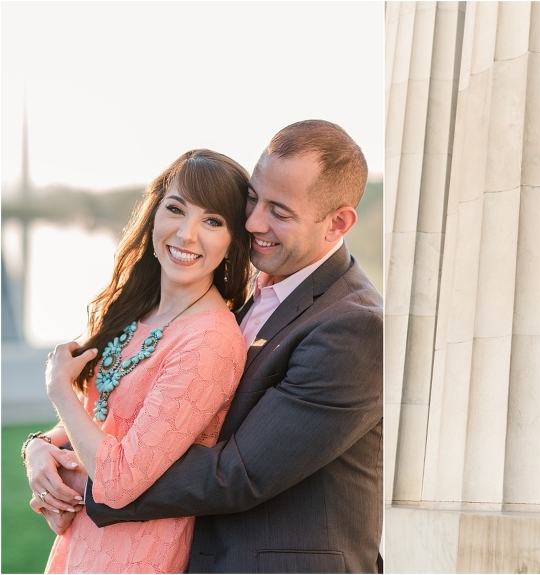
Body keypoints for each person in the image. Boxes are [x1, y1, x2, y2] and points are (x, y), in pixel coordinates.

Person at [29, 120, 383, 573]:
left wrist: (88, 483)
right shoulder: (243, 293)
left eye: (280, 211)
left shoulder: (353, 325)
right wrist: (42, 447)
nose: (253, 222)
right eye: (253, 198)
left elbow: (237, 474)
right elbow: (144, 412)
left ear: (338, 223)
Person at [25, 149, 253, 572]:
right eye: (176, 209)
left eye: (212, 221)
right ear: (154, 214)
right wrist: (40, 448)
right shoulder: (142, 309)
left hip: (137, 554)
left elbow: (116, 481)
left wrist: (59, 391)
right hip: (84, 545)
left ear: (233, 241)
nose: (186, 235)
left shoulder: (210, 341)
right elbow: (107, 415)